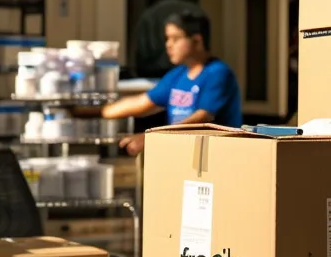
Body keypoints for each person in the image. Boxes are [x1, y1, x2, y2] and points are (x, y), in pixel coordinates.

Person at [93, 10, 241, 156]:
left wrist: (153, 137)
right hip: (183, 154)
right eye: (167, 38)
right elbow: (142, 103)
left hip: (215, 156)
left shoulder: (218, 73)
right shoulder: (177, 75)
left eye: (175, 38)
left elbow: (202, 118)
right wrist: (87, 111)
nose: (168, 45)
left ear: (197, 40)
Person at [129, 0, 204, 79]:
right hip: (194, 72)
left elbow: (141, 57)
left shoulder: (150, 15)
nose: (169, 45)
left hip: (158, 75)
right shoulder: (197, 11)